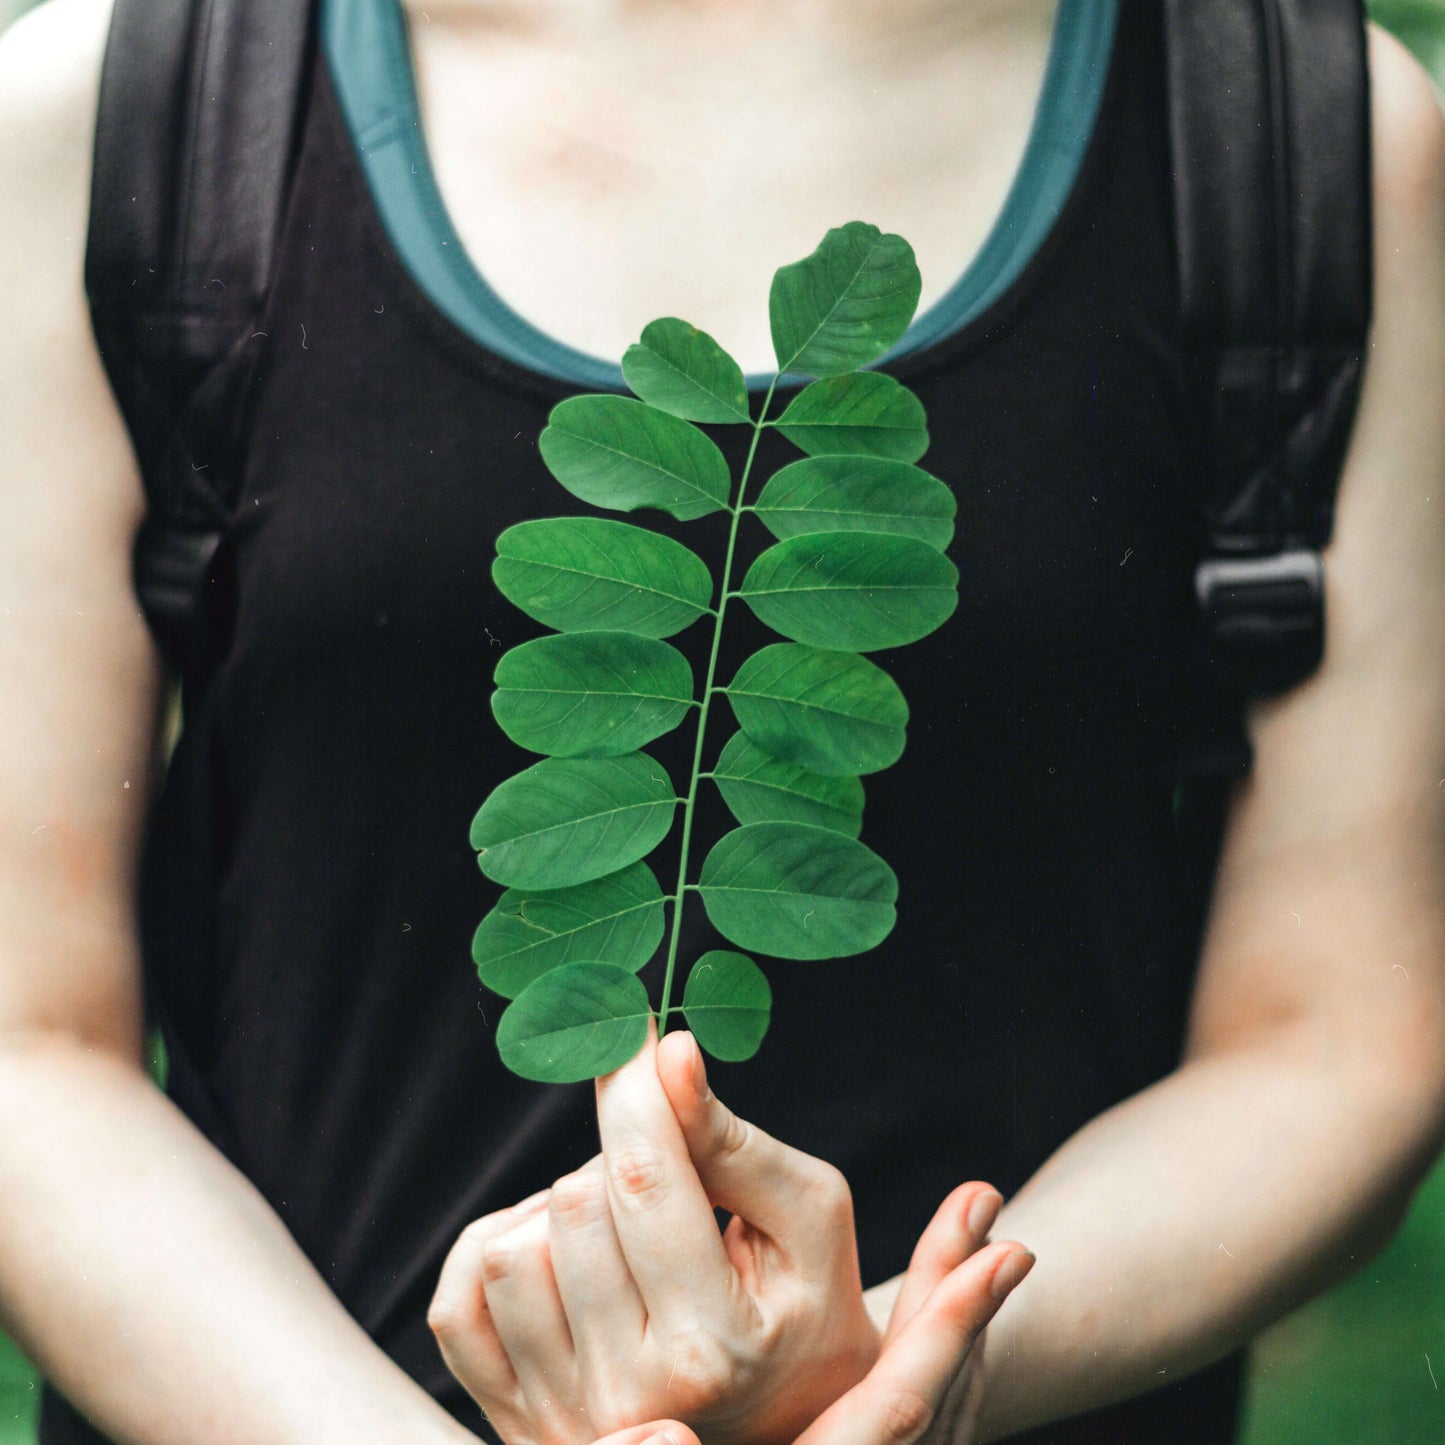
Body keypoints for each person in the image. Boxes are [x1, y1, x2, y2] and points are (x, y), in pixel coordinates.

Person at [0, 0, 1442, 1441]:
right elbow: (29, 1049)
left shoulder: (1292, 131)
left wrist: (910, 1370)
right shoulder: (134, 102)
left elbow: (1335, 1037)